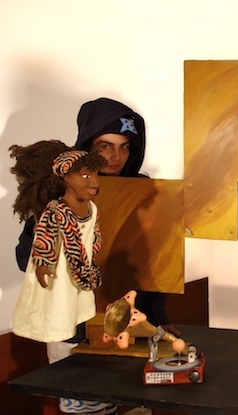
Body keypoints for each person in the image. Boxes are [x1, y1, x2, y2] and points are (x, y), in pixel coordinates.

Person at [14, 97, 174, 332]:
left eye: (124, 146)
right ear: (88, 147)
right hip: (71, 326)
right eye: (105, 146)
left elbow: (152, 262)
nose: (116, 156)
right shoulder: (62, 191)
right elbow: (24, 259)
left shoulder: (140, 192)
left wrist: (158, 320)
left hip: (129, 324)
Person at [9, 141, 117, 415]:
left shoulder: (89, 208)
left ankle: (91, 399)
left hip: (81, 289)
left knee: (81, 338)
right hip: (60, 294)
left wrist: (90, 256)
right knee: (65, 345)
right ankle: (79, 399)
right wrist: (44, 261)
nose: (93, 182)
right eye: (85, 175)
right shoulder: (50, 215)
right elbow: (33, 252)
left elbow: (92, 236)